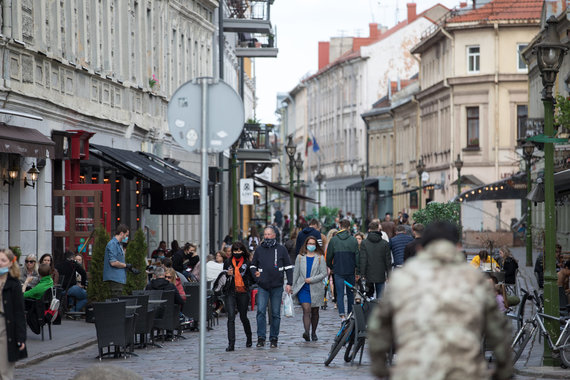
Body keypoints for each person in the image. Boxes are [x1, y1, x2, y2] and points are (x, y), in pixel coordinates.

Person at [368, 221, 512, 380]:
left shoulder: (403, 278)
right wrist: (503, 370)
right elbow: (498, 330)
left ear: (420, 248)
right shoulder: (474, 279)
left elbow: (379, 326)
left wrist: (380, 368)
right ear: (458, 246)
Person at [250, 227, 293, 348]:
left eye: (269, 234)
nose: (267, 236)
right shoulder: (259, 249)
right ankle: (261, 337)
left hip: (277, 285)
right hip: (263, 285)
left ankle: (274, 338)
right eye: (265, 234)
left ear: (274, 235)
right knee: (261, 311)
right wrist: (256, 275)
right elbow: (253, 266)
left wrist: (289, 283)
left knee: (275, 313)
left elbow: (288, 267)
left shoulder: (281, 249)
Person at [292, 236, 327, 342]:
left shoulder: (320, 257)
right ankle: (306, 332)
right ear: (306, 244)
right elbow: (296, 273)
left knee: (315, 311)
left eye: (313, 244)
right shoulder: (299, 257)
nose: (311, 245)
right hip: (303, 288)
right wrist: (292, 287)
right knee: (306, 310)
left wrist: (311, 279)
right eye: (309, 243)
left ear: (316, 245)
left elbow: (324, 273)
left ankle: (314, 332)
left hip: (316, 288)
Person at [0, 248, 28, 379]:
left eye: (3, 260)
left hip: (6, 328)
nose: (0, 263)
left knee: (4, 370)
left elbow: (19, 312)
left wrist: (21, 337)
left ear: (11, 263)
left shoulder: (14, 284)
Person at [223, 242, 254, 351]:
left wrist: (248, 283)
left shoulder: (247, 263)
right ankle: (231, 344)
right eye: (235, 251)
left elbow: (251, 278)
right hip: (230, 291)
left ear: (243, 251)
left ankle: (249, 337)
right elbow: (224, 277)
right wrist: (228, 275)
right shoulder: (227, 262)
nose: (237, 253)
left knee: (243, 316)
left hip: (243, 291)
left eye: (239, 251)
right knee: (231, 317)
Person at [326, 219, 359, 320]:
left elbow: (329, 257)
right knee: (350, 294)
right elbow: (357, 256)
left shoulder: (334, 240)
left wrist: (331, 267)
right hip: (350, 270)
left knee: (339, 294)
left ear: (339, 226)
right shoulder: (353, 240)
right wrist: (357, 270)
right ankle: (349, 313)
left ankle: (342, 315)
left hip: (338, 270)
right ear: (349, 227)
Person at [359, 221, 391, 299]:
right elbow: (388, 260)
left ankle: (370, 310)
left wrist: (362, 274)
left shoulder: (364, 243)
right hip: (380, 273)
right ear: (378, 229)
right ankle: (378, 310)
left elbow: (363, 259)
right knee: (380, 297)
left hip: (368, 273)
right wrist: (389, 275)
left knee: (368, 296)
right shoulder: (385, 243)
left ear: (369, 230)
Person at [103, 224, 130, 297]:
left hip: (118, 278)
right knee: (116, 300)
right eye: (126, 235)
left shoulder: (118, 244)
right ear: (121, 233)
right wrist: (126, 265)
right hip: (115, 278)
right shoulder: (113, 244)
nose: (126, 237)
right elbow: (113, 262)